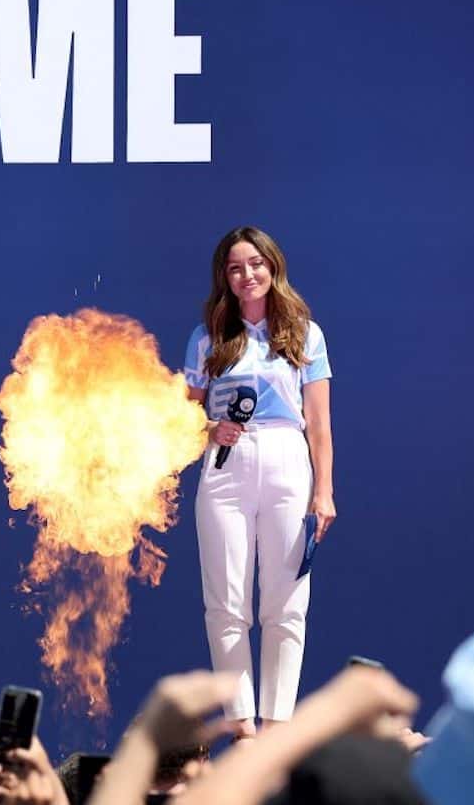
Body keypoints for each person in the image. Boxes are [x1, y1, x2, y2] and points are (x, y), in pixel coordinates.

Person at [183, 226, 335, 737]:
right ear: (223, 277)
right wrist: (209, 427)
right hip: (225, 464)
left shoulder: (305, 334)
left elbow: (319, 425)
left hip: (288, 461)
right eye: (235, 267)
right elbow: (179, 415)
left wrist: (324, 492)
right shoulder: (208, 336)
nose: (248, 275)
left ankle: (277, 725)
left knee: (286, 603)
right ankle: (242, 727)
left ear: (273, 267)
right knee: (225, 602)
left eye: (256, 264)